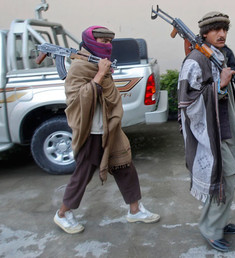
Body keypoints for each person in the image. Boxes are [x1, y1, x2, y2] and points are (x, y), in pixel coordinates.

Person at [53, 26, 160, 234]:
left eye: (109, 42)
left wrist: (103, 72)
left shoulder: (99, 63)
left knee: (124, 165)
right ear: (91, 42)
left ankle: (135, 210)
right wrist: (101, 74)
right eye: (103, 42)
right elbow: (76, 100)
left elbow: (109, 96)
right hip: (91, 130)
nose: (108, 46)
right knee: (84, 172)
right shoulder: (80, 67)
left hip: (109, 125)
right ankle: (63, 213)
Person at [177, 12, 235, 252]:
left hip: (224, 126)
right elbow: (186, 103)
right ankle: (210, 228)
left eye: (224, 29)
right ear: (204, 34)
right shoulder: (194, 61)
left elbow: (231, 92)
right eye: (216, 30)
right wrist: (219, 86)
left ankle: (218, 221)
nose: (222, 34)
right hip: (208, 132)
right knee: (226, 179)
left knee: (228, 179)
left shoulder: (216, 56)